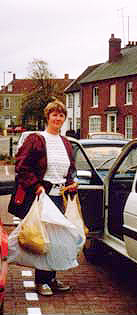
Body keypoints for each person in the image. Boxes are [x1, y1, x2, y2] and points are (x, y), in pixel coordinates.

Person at [15, 98, 77, 296]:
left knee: (57, 239)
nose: (57, 118)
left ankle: (51, 278)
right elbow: (22, 166)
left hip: (59, 197)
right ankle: (41, 281)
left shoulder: (66, 143)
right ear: (47, 117)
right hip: (41, 197)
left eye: (61, 115)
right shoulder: (36, 139)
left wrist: (71, 183)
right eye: (54, 114)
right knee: (44, 239)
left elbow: (70, 169)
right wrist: (36, 186)